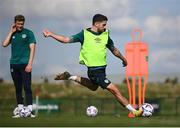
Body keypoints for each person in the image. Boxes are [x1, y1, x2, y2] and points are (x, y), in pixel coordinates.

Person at [43, 14, 142, 117]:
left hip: (102, 70)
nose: (105, 27)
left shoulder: (105, 34)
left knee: (94, 87)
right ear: (96, 24)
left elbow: (114, 50)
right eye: (103, 25)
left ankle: (70, 76)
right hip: (94, 71)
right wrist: (51, 34)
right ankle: (134, 111)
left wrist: (124, 59)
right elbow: (66, 40)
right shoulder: (84, 34)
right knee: (115, 90)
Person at [2, 15, 36, 118]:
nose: (20, 26)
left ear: (23, 23)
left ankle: (29, 110)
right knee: (18, 88)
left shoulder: (29, 33)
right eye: (18, 24)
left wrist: (30, 63)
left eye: (22, 24)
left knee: (27, 87)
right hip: (14, 64)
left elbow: (32, 49)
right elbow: (4, 44)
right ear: (15, 23)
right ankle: (20, 109)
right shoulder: (13, 33)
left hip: (25, 64)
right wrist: (11, 31)